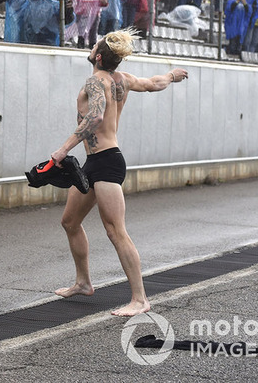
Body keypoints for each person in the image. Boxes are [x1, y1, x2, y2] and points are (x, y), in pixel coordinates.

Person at [50, 29, 189, 316]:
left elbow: (96, 116)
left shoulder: (95, 81)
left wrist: (63, 150)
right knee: (70, 221)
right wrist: (172, 76)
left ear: (98, 56)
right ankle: (83, 282)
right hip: (95, 162)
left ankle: (140, 299)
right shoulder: (122, 80)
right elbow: (152, 83)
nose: (90, 47)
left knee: (115, 230)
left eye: (94, 45)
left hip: (107, 161)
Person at [4, 0, 74, 46]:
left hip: (46, 44)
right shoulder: (22, 0)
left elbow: (67, 19)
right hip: (24, 43)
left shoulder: (53, 5)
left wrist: (68, 10)